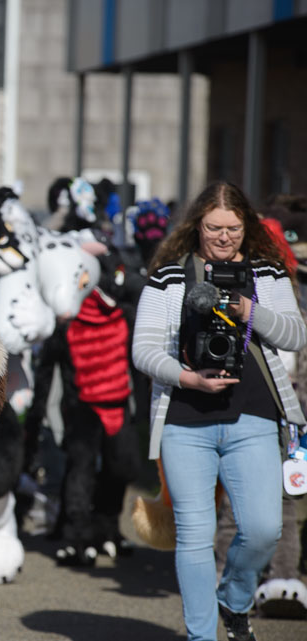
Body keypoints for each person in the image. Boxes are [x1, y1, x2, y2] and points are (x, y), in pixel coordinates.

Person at [132, 181, 306, 641]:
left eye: (233, 227)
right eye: (214, 227)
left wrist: (249, 311)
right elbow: (143, 350)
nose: (224, 236)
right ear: (198, 226)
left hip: (254, 416)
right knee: (194, 534)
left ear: (247, 226)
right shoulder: (170, 276)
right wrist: (188, 377)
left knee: (264, 528)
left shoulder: (267, 274)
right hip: (184, 421)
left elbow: (295, 335)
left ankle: (233, 599)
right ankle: (202, 636)